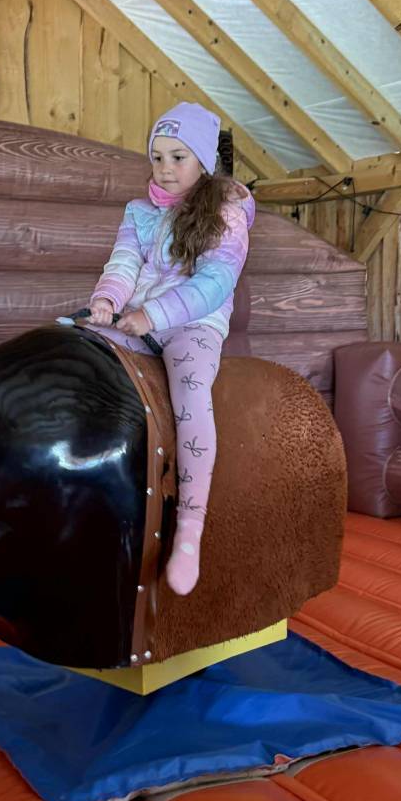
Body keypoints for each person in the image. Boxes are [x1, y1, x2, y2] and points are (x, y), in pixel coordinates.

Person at [87, 102, 255, 596]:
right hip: (137, 317)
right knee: (83, 350)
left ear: (203, 160)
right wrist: (106, 300)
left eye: (178, 157)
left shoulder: (227, 214)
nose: (165, 168)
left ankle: (189, 530)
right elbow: (123, 262)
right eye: (157, 157)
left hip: (193, 323)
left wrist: (153, 316)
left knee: (190, 388)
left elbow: (215, 282)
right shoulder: (139, 213)